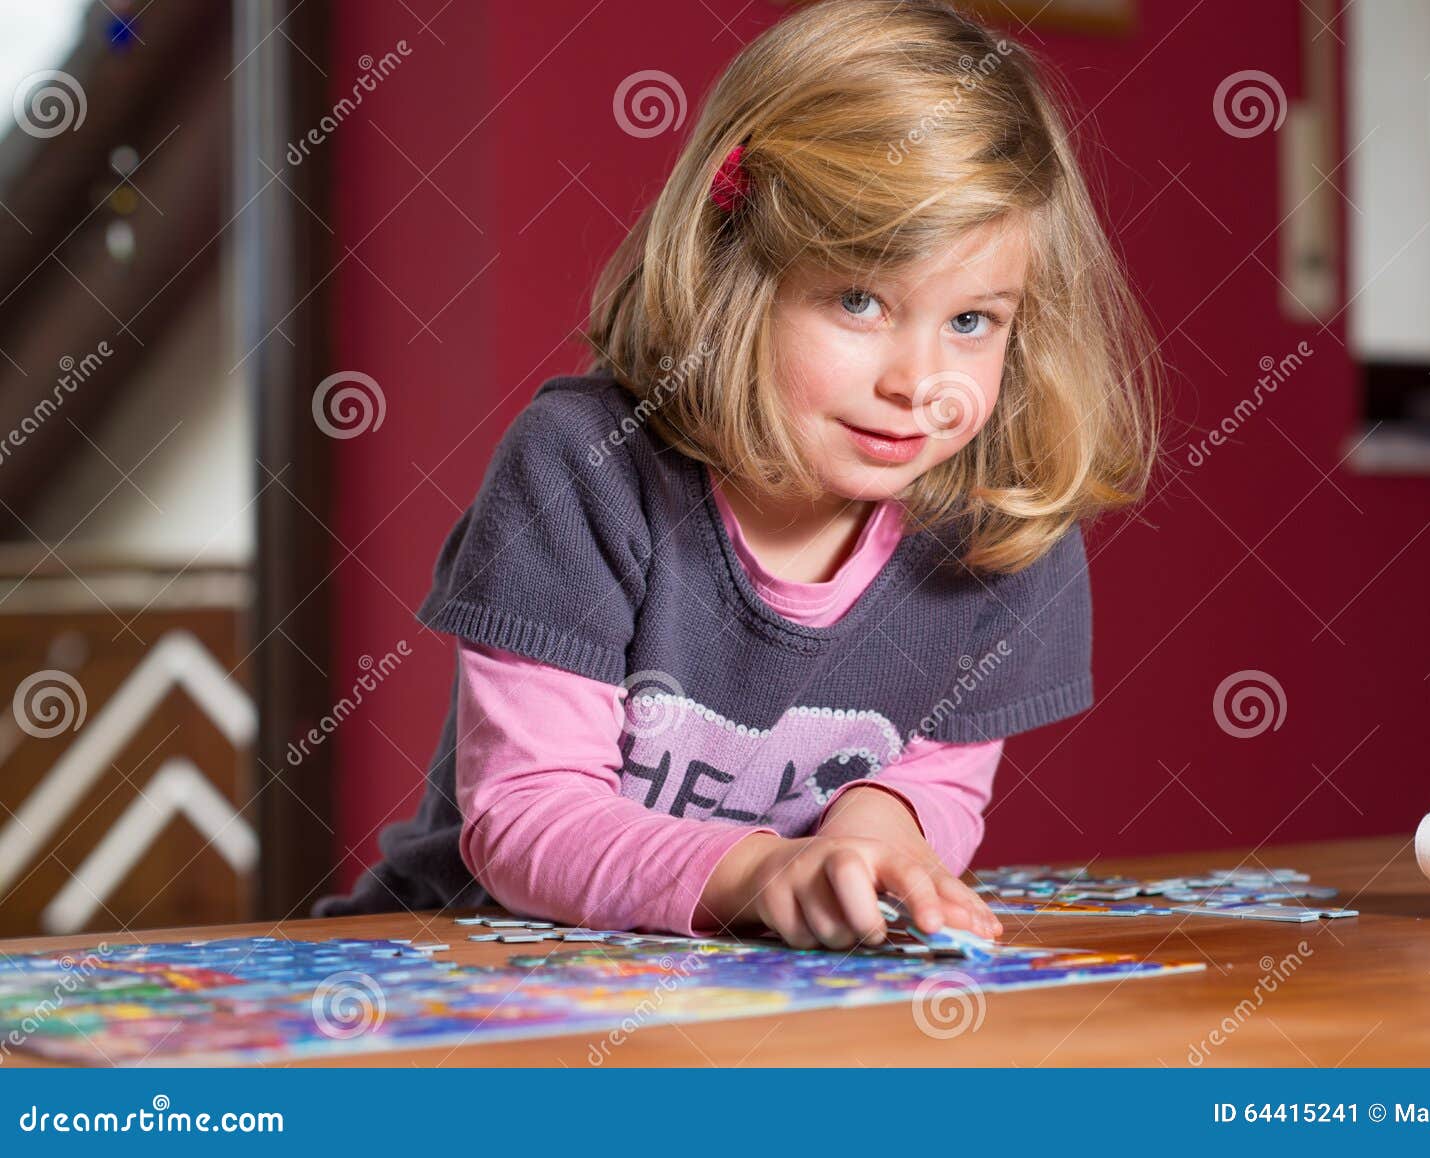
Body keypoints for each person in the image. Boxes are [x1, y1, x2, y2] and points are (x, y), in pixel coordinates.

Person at [312, 0, 1162, 950]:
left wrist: (869, 841)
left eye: (972, 321)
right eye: (859, 300)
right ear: (735, 272)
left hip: (749, 992)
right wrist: (762, 871)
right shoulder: (584, 470)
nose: (918, 385)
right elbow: (527, 818)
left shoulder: (997, 522)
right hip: (456, 966)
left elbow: (932, 785)